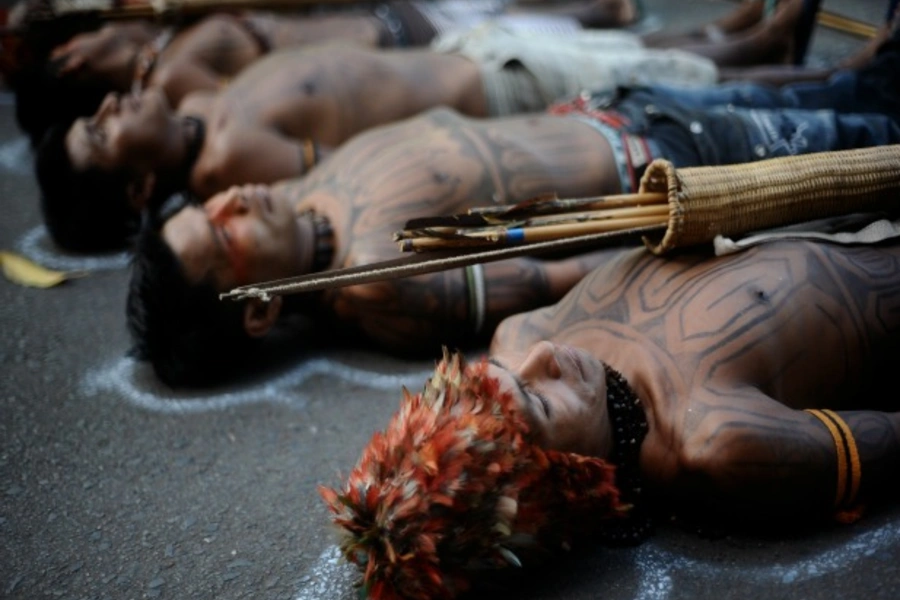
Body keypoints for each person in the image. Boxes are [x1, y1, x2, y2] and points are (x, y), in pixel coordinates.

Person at [126, 17, 900, 387]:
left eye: (212, 202)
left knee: (821, 88)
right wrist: (698, 223)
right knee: (861, 132)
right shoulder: (377, 285)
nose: (230, 198)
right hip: (670, 168)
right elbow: (553, 278)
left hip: (605, 112)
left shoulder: (295, 196)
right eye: (220, 227)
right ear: (259, 307)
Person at [320, 237, 900, 600]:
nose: (542, 355)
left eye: (503, 369)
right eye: (540, 402)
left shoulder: (519, 335)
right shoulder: (718, 443)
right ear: (562, 490)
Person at [34, 0, 824, 252]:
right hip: (485, 94)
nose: (107, 109)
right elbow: (361, 157)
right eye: (100, 132)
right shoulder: (228, 160)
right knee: (676, 84)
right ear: (142, 188)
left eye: (98, 111)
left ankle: (758, 42)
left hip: (461, 53)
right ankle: (810, 70)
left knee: (641, 54)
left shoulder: (196, 106)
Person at [12, 0, 639, 144]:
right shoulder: (175, 80)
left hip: (391, 25)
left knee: (560, 29)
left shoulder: (162, 41)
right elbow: (289, 101)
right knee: (575, 53)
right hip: (406, 52)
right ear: (72, 60)